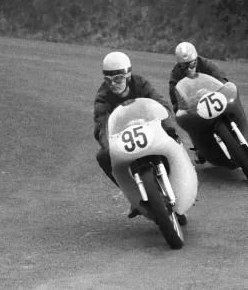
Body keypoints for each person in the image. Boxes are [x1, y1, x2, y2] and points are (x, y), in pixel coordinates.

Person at [94, 51, 187, 225]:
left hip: (149, 129)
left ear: (128, 76)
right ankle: (134, 196)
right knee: (101, 156)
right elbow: (100, 125)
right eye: (108, 80)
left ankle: (181, 179)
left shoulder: (141, 84)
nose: (113, 84)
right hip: (124, 140)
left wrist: (167, 126)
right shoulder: (102, 96)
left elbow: (162, 105)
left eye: (118, 78)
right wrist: (109, 147)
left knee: (173, 138)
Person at [169, 42, 229, 164]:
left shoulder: (206, 64)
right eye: (185, 66)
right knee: (190, 124)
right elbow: (175, 100)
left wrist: (222, 87)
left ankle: (235, 128)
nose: (190, 68)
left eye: (192, 64)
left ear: (196, 59)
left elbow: (221, 78)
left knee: (228, 109)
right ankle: (199, 147)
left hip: (212, 97)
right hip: (194, 106)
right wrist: (182, 110)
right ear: (180, 65)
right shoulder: (176, 75)